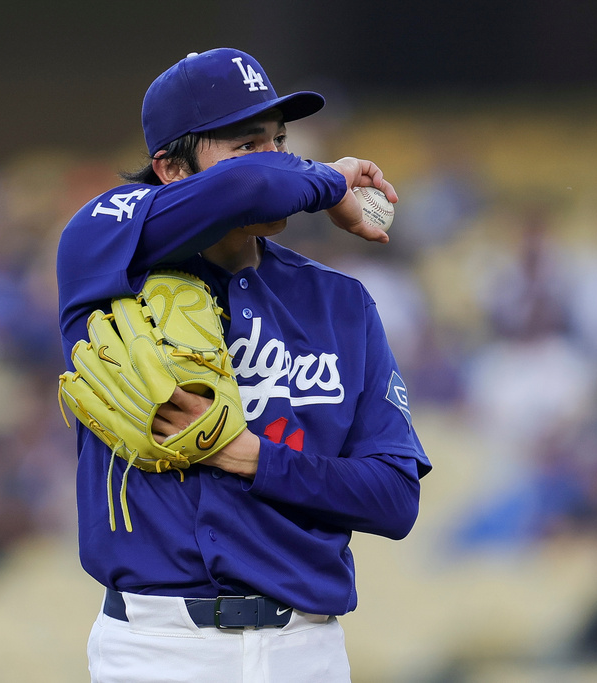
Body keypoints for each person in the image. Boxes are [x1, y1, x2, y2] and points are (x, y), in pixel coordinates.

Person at [56, 48, 431, 683]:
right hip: (157, 646)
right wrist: (329, 179)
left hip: (306, 647)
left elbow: (395, 500)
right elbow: (250, 187)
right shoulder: (107, 251)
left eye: (281, 139)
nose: (276, 157)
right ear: (170, 168)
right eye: (247, 141)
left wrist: (252, 457)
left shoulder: (339, 301)